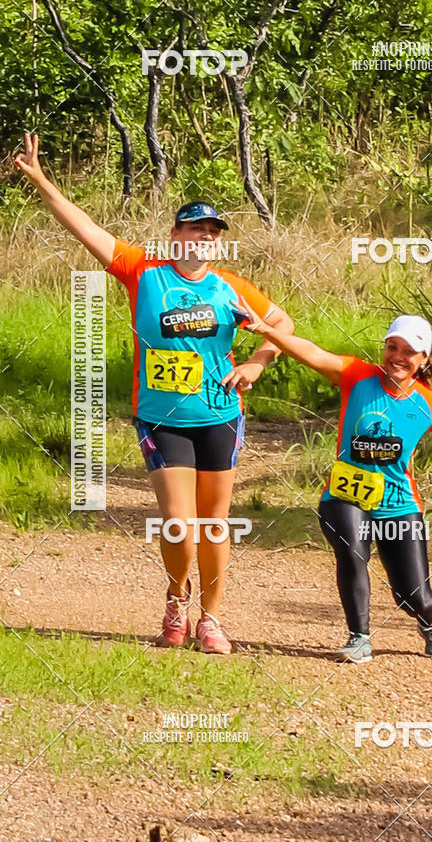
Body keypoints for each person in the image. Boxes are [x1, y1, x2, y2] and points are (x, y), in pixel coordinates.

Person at [15, 132, 294, 654]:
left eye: (212, 233)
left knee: (213, 526)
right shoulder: (143, 270)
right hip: (163, 417)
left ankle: (210, 619)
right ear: (175, 235)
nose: (204, 239)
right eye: (195, 230)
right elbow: (87, 230)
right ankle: (176, 597)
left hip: (219, 414)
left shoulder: (232, 285)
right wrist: (40, 180)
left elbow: (283, 322)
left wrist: (258, 360)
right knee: (176, 523)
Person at [239, 305, 432, 663]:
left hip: (399, 504)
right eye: (393, 347)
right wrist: (268, 330)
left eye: (408, 351)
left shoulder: (428, 403)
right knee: (352, 553)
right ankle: (359, 638)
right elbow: (311, 352)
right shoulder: (357, 376)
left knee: (412, 594)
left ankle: (430, 623)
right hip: (345, 495)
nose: (398, 357)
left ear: (423, 358)